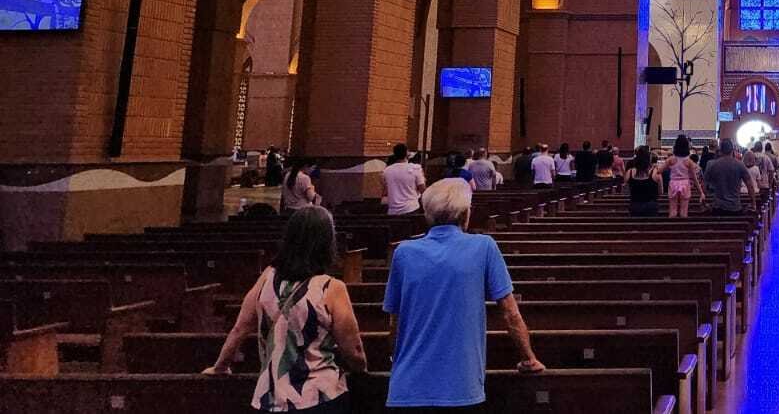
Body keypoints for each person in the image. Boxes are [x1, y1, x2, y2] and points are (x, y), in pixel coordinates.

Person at [384, 180, 543, 409]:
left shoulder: (404, 252)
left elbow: (394, 323)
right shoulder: (484, 247)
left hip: (406, 387)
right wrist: (529, 357)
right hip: (459, 388)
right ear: (466, 214)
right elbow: (510, 313)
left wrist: (395, 359)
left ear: (427, 214)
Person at [205, 206, 366, 412]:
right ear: (327, 243)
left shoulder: (267, 277)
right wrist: (363, 371)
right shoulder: (331, 288)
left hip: (270, 397)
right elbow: (353, 350)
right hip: (319, 395)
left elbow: (240, 329)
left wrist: (220, 366)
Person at [704, 138, 758, 215]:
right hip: (735, 207)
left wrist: (705, 202)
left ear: (721, 150)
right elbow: (750, 186)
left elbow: (704, 185)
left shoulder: (712, 165)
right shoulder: (740, 165)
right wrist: (753, 204)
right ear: (732, 150)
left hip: (717, 207)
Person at [664, 134, 705, 218]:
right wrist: (701, 192)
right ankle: (682, 228)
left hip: (673, 183)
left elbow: (659, 170)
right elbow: (694, 178)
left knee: (672, 212)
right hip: (685, 184)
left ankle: (671, 229)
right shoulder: (689, 161)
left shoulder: (671, 159)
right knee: (683, 212)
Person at [383, 143, 426, 216]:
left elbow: (386, 191)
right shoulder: (416, 168)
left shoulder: (387, 171)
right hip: (411, 208)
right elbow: (422, 189)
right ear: (407, 153)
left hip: (393, 210)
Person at [624, 146, 661, 216]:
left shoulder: (630, 172)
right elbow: (660, 192)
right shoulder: (655, 172)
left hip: (635, 207)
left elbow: (626, 190)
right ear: (648, 160)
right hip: (651, 207)